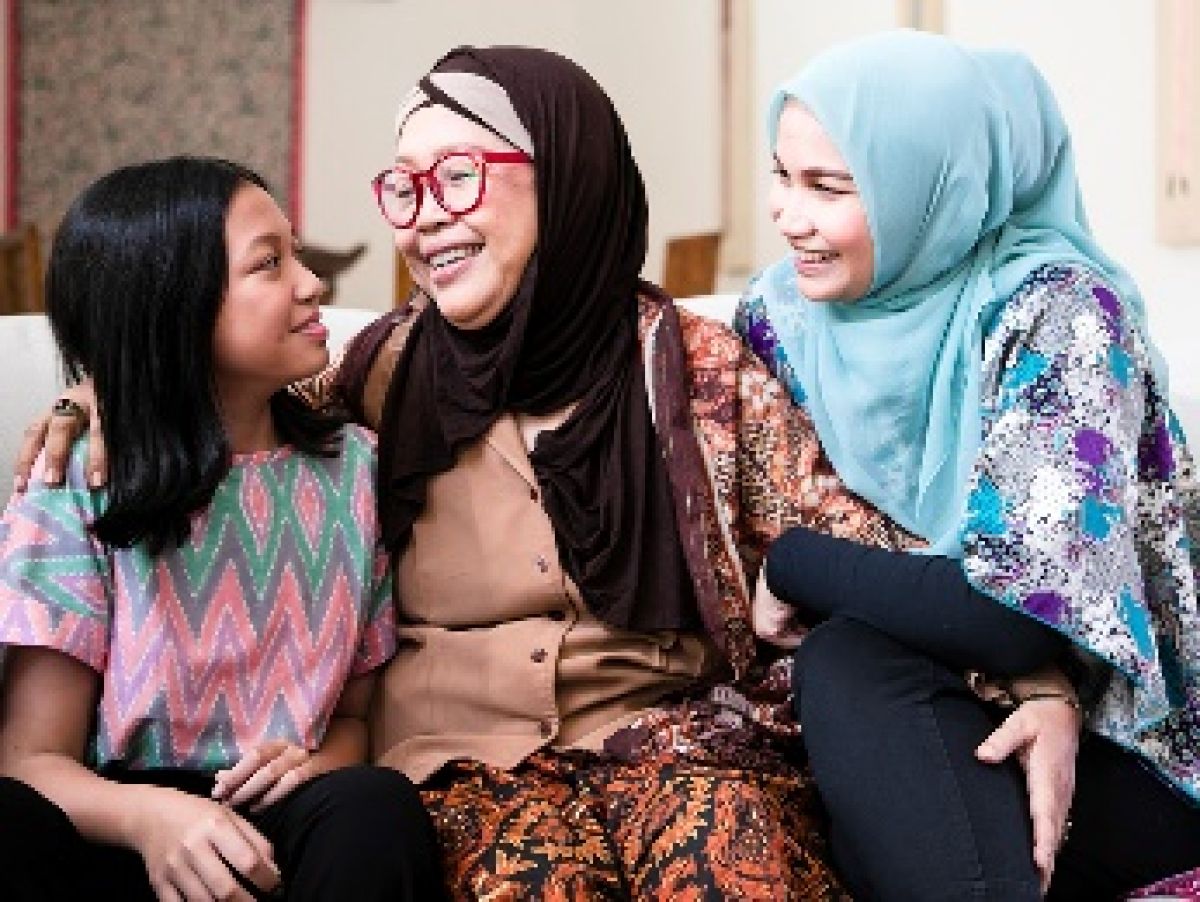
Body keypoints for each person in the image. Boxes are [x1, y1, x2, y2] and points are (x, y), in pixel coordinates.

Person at [10, 46, 1086, 900]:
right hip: (453, 765)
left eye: (461, 174)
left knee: (724, 865)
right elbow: (225, 405)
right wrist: (97, 395)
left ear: (564, 175)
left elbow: (861, 546)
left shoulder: (696, 369)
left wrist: (1034, 680)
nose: (426, 210)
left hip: (679, 744)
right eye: (406, 185)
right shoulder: (380, 371)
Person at [740, 31, 1200, 900]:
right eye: (782, 175)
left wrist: (796, 561)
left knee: (853, 658)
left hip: (1119, 737)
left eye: (830, 187)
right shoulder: (782, 321)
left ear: (933, 189)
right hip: (928, 701)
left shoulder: (1059, 316)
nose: (789, 216)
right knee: (847, 658)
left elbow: (1015, 610)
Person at [0, 157, 442, 901]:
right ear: (173, 306)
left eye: (295, 253)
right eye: (269, 264)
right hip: (122, 822)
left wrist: (318, 762)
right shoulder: (76, 480)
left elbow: (357, 717)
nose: (313, 285)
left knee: (376, 807)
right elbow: (31, 758)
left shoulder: (355, 471)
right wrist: (151, 819)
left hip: (285, 821)